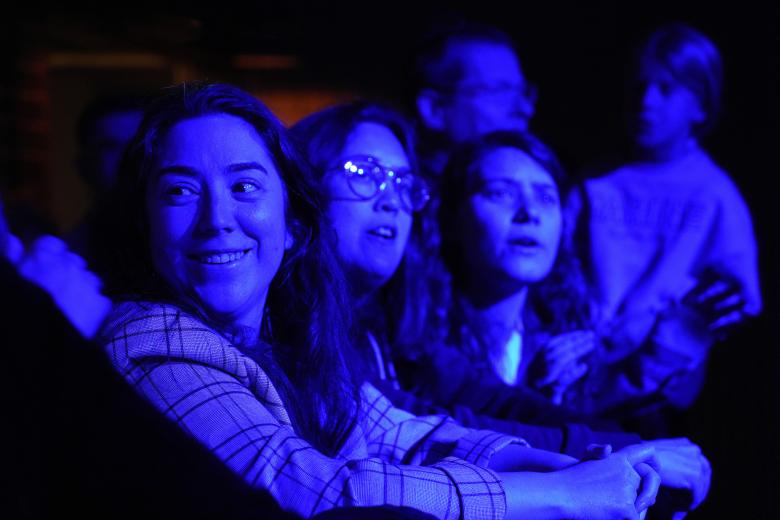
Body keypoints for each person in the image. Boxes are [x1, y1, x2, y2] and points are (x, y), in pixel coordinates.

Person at [97, 82, 661, 519]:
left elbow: (417, 434)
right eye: (179, 191)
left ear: (293, 223)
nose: (217, 220)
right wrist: (563, 491)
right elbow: (319, 492)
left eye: (244, 186)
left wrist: (583, 465)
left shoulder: (294, 337)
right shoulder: (153, 345)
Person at [292, 103, 710, 515]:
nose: (391, 201)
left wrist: (634, 436)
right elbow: (428, 425)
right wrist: (609, 457)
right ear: (449, 219)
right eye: (363, 174)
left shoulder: (563, 333)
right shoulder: (349, 327)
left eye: (403, 183)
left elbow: (486, 403)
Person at [565, 23, 762, 432]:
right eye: (639, 86)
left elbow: (735, 301)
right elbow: (561, 263)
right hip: (580, 366)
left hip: (657, 390)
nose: (646, 102)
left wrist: (665, 343)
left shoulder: (714, 195)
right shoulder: (599, 180)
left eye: (666, 89)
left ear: (701, 106)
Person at [411, 20, 537, 180]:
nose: (526, 109)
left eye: (523, 92)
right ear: (434, 108)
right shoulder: (403, 200)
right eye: (500, 91)